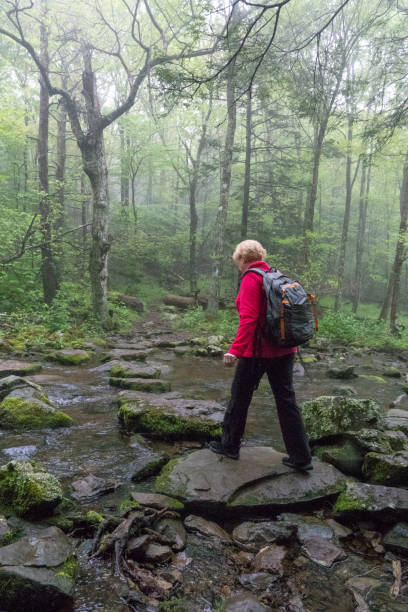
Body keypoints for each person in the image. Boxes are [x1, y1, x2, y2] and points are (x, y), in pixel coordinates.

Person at [208, 239, 313, 471]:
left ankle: (230, 446)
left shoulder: (251, 279)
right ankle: (301, 457)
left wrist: (234, 350)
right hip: (286, 349)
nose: (237, 264)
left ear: (243, 259)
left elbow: (249, 319)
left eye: (237, 260)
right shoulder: (275, 275)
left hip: (257, 351)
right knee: (287, 401)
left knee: (240, 397)